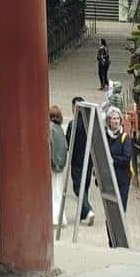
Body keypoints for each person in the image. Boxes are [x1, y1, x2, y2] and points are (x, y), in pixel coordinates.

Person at [105, 106, 134, 219]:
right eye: (113, 118)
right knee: (110, 211)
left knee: (120, 210)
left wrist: (113, 159)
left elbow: (127, 158)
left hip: (122, 178)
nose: (115, 121)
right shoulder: (105, 136)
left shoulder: (125, 138)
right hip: (109, 179)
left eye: (117, 118)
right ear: (109, 121)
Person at [69, 95, 94, 225]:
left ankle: (88, 210)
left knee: (78, 188)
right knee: (85, 187)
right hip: (89, 160)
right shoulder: (90, 125)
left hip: (76, 161)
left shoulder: (73, 124)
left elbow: (69, 142)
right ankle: (83, 213)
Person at [50, 104, 68, 222]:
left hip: (51, 163)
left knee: (52, 191)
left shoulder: (49, 128)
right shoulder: (60, 129)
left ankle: (54, 216)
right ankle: (61, 216)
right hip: (60, 163)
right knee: (58, 190)